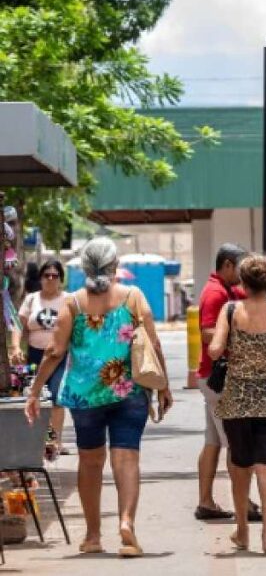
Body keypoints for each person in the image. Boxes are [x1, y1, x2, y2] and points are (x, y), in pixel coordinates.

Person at [25, 238, 173, 557]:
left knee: (90, 461)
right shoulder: (133, 297)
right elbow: (153, 343)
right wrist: (164, 387)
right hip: (129, 391)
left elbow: (54, 351)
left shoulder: (74, 303)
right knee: (127, 456)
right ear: (113, 265)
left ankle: (93, 536)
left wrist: (35, 391)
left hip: (85, 396)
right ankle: (127, 522)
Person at [209, 254, 266, 554]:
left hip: (237, 402)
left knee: (240, 466)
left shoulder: (231, 310)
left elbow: (213, 351)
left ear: (243, 282)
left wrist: (225, 349)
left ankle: (241, 531)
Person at [194, 243, 260, 521]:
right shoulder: (215, 293)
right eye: (240, 267)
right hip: (218, 379)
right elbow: (208, 333)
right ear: (228, 265)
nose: (242, 273)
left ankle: (206, 502)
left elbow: (255, 296)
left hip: (213, 378)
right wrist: (238, 335)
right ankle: (243, 504)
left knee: (213, 442)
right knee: (235, 443)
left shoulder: (229, 290)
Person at [12, 259, 71, 453]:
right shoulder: (31, 299)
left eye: (55, 276)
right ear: (41, 278)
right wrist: (15, 347)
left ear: (60, 279)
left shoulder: (67, 300)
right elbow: (18, 324)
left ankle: (55, 441)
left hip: (60, 355)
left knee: (55, 397)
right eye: (47, 275)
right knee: (35, 396)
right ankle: (39, 439)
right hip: (35, 355)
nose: (51, 279)